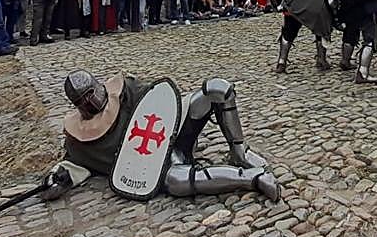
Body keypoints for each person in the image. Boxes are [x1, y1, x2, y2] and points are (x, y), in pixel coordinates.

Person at [49, 69, 279, 202]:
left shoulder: (126, 90)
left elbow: (161, 102)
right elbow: (71, 163)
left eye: (91, 93)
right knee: (177, 182)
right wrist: (57, 180)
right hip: (158, 164)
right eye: (83, 101)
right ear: (76, 105)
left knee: (218, 88)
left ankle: (239, 152)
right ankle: (251, 179)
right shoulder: (80, 138)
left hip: (175, 132)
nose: (90, 101)